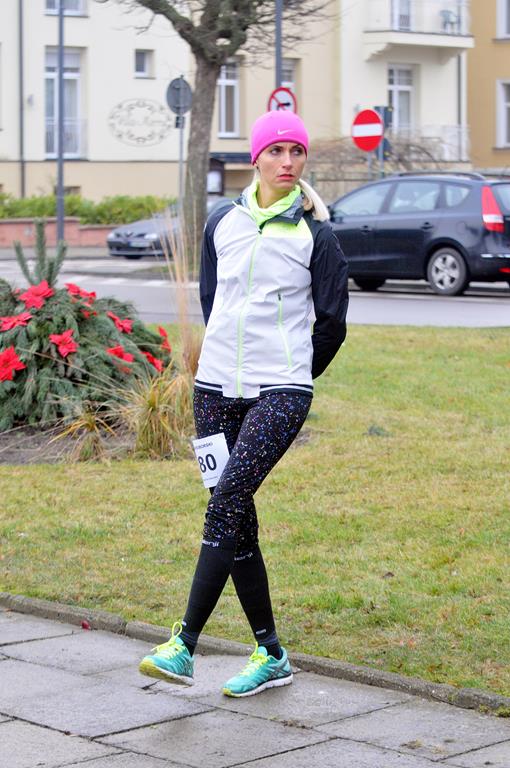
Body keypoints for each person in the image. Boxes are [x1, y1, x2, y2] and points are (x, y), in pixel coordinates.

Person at [139, 110, 349, 698]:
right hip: (213, 390)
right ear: (255, 158)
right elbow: (215, 301)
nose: (288, 161)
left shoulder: (317, 236)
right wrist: (223, 359)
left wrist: (292, 370)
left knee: (227, 499)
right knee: (233, 514)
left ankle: (184, 644)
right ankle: (271, 653)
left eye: (297, 152)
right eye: (276, 151)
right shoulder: (222, 223)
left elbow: (332, 323)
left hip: (281, 388)